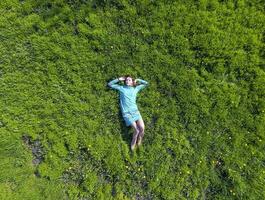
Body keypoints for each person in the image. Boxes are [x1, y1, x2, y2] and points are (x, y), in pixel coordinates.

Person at [107, 75, 149, 151]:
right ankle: (133, 144)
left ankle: (139, 140)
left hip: (135, 111)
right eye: (126, 80)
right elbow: (110, 84)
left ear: (132, 82)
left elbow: (146, 83)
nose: (127, 81)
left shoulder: (136, 89)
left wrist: (138, 80)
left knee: (142, 128)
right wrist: (118, 79)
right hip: (127, 113)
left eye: (129, 80)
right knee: (136, 130)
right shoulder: (121, 88)